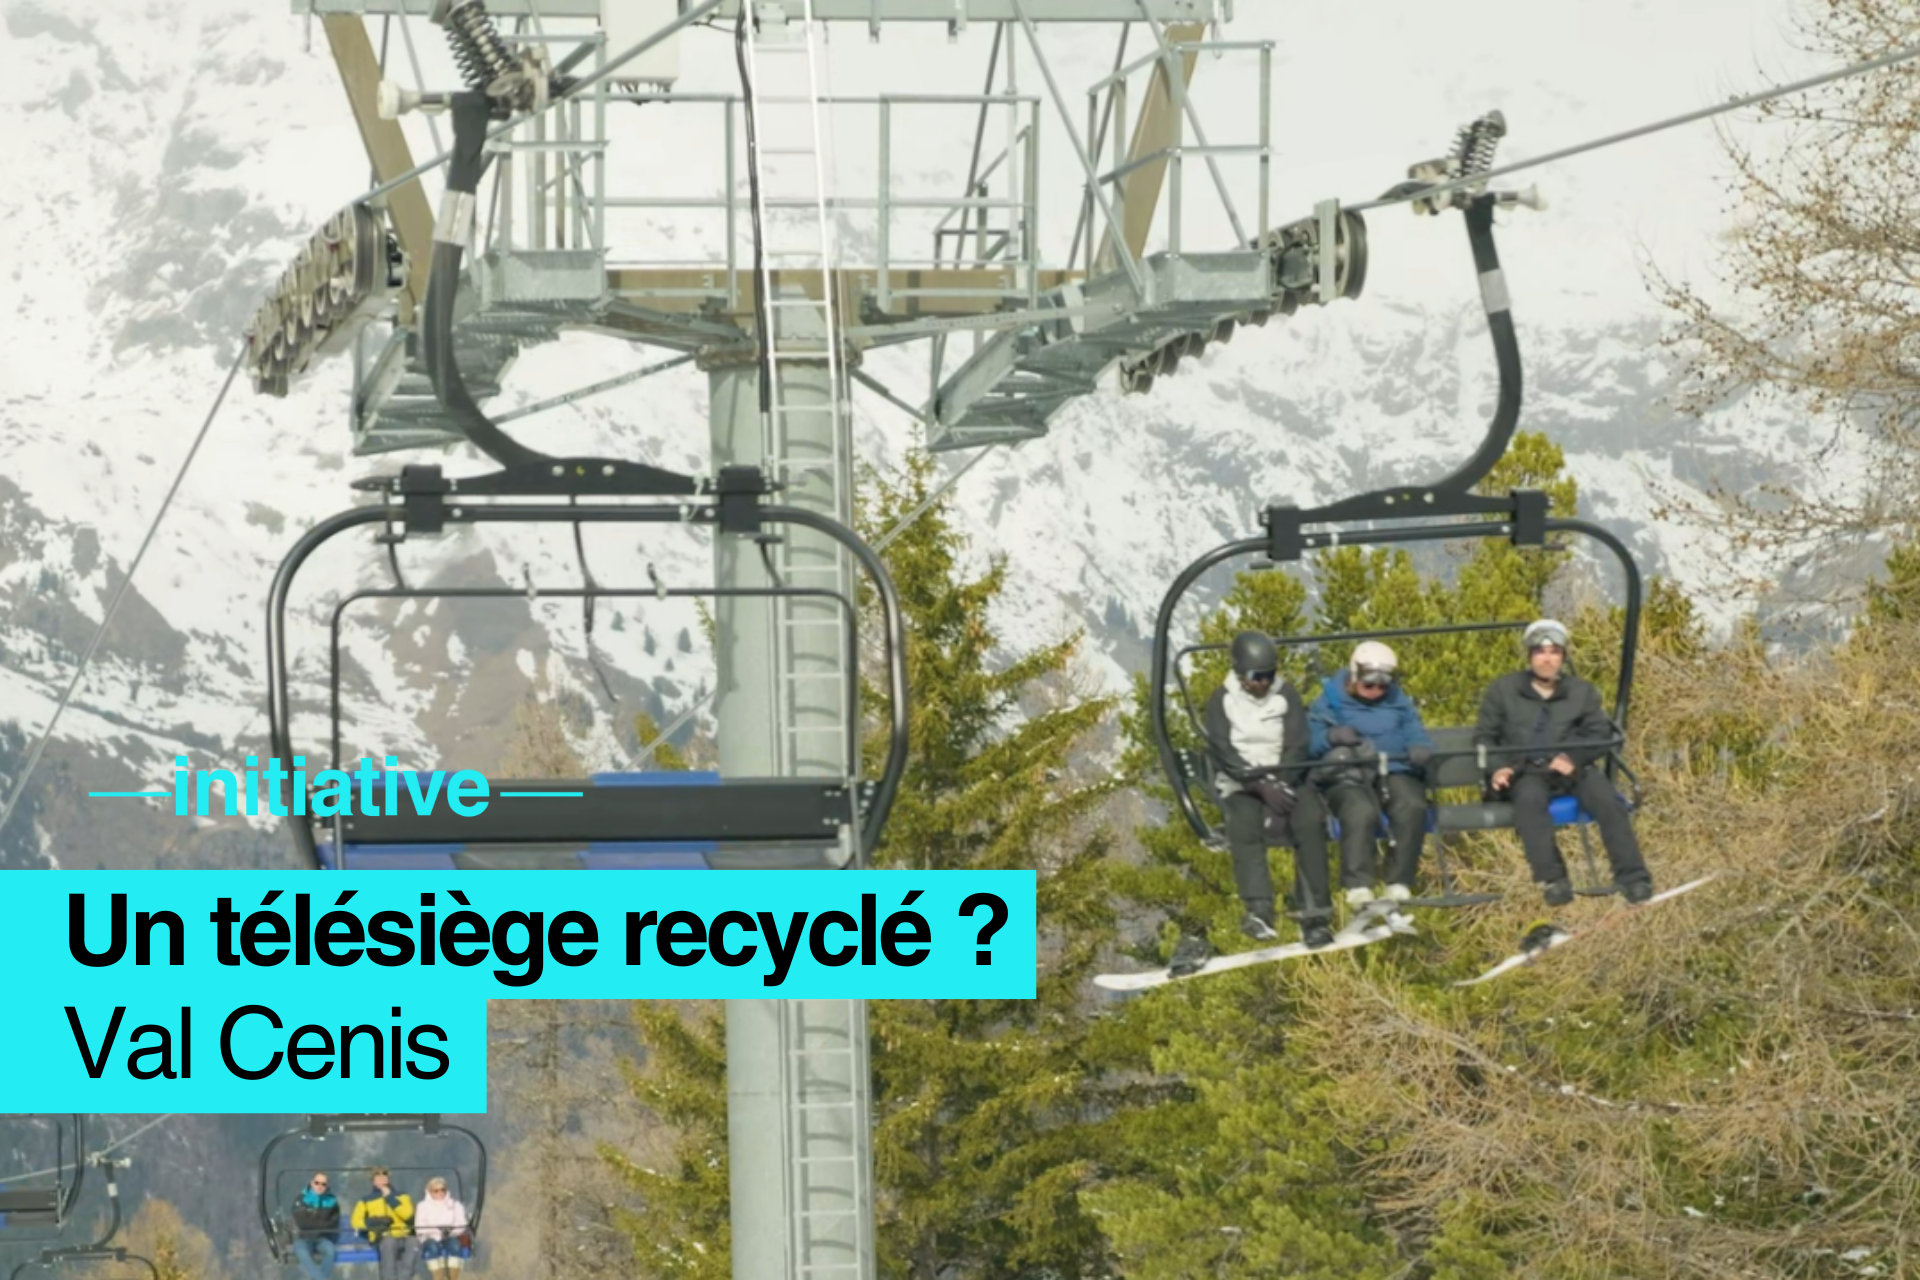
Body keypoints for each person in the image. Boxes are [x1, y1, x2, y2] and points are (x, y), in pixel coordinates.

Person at [1474, 618, 1654, 906]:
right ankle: (1553, 879)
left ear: (1563, 657)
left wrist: (1574, 758)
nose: (1547, 659)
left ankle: (1633, 877)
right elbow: (1485, 736)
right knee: (1530, 801)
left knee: (1607, 799)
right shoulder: (1504, 691)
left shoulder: (1580, 693)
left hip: (1571, 769)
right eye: (1540, 652)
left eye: (1554, 652)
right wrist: (1498, 767)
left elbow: (1598, 733)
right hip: (1526, 771)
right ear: (1530, 655)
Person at [1192, 630, 1338, 957]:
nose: (1262, 683)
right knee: (1243, 824)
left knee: (1310, 820)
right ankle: (1259, 910)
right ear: (1240, 674)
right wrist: (1259, 784)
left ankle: (1314, 915)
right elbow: (1222, 749)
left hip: (1285, 778)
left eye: (1268, 676)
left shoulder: (1285, 695)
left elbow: (1297, 743)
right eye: (1256, 677)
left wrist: (1281, 783)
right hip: (1243, 782)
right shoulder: (1222, 700)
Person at [1307, 640, 1435, 906]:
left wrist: (1420, 747)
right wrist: (1332, 736)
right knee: (1359, 810)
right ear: (1355, 676)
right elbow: (1309, 741)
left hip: (1394, 768)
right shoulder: (1329, 702)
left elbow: (1413, 728)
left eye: (1382, 685)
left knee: (1411, 805)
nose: (1376, 691)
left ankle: (1398, 880)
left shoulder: (1397, 701)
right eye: (1368, 684)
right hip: (1349, 773)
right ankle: (1358, 884)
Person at [351, 1166, 419, 1280]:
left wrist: (390, 1198)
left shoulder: (402, 1196)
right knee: (389, 1242)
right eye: (378, 1176)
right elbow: (355, 1222)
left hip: (403, 1234)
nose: (382, 1178)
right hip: (382, 1236)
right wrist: (373, 1223)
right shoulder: (366, 1200)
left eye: (384, 1175)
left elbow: (408, 1215)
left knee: (414, 1242)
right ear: (373, 1180)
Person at [416, 1176, 473, 1278]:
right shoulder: (423, 1206)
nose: (440, 1193)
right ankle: (439, 1277)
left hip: (450, 1235)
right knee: (433, 1248)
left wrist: (451, 1231)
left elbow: (462, 1223)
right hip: (430, 1237)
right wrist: (435, 1230)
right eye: (436, 1191)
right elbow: (419, 1227)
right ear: (430, 1192)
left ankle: (453, 1277)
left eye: (442, 1189)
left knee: (455, 1246)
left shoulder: (455, 1204)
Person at [289, 1172, 340, 1280]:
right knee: (301, 1251)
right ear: (312, 1183)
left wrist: (317, 1224)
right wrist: (322, 1224)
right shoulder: (302, 1199)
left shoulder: (331, 1201)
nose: (320, 1186)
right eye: (317, 1183)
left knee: (330, 1250)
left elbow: (333, 1222)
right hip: (304, 1237)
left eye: (323, 1184)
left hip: (322, 1238)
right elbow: (302, 1223)